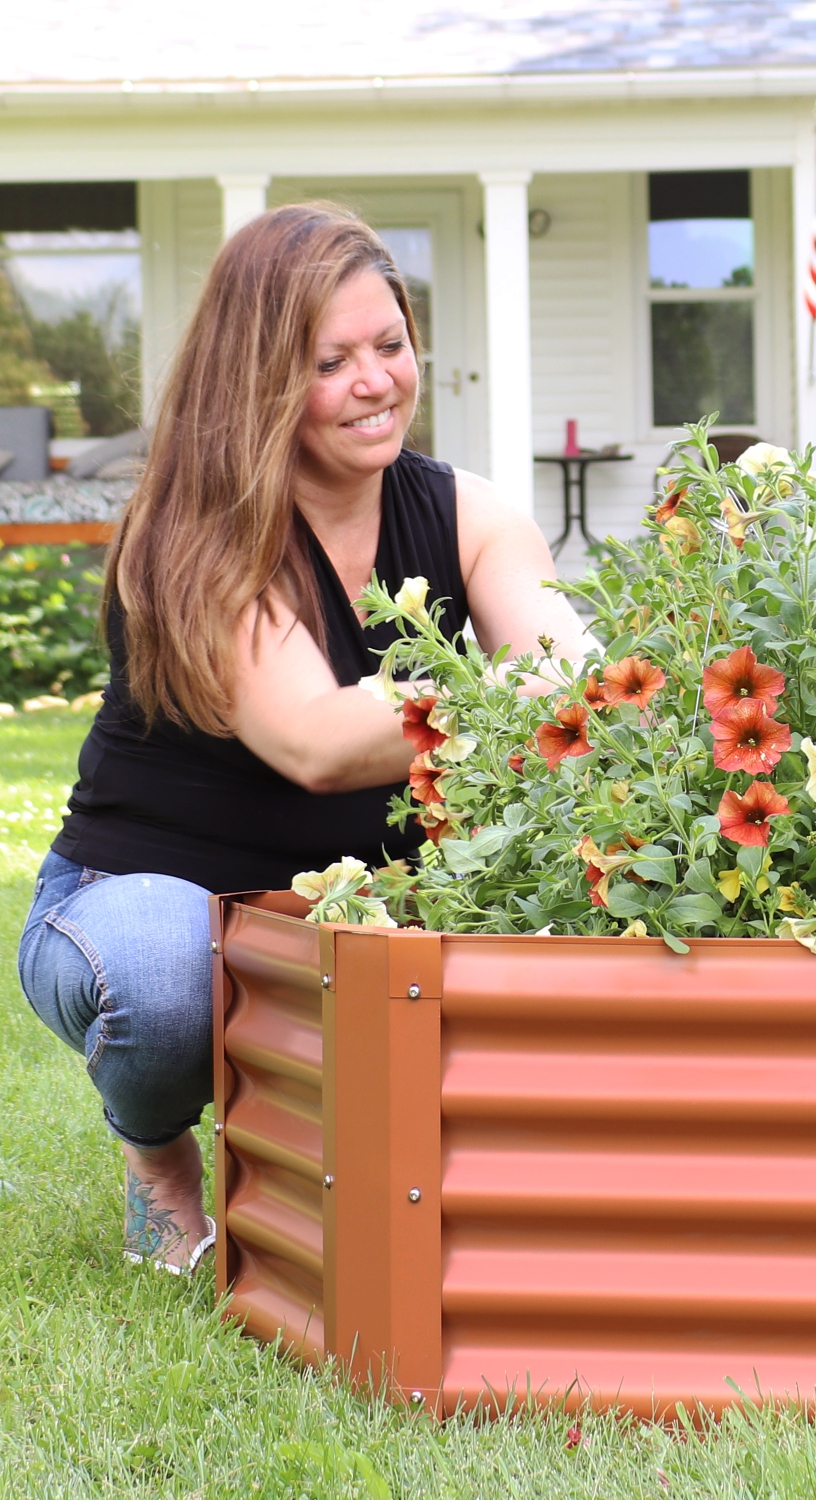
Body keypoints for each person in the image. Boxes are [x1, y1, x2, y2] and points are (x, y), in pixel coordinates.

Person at [17, 203, 591, 1272]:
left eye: (390, 345)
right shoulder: (194, 534)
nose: (375, 382)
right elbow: (320, 742)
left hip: (353, 913)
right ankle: (156, 1156)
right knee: (166, 972)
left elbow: (579, 684)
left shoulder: (473, 515)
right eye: (330, 363)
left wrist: (573, 696)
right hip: (134, 902)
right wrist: (518, 697)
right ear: (260, 380)